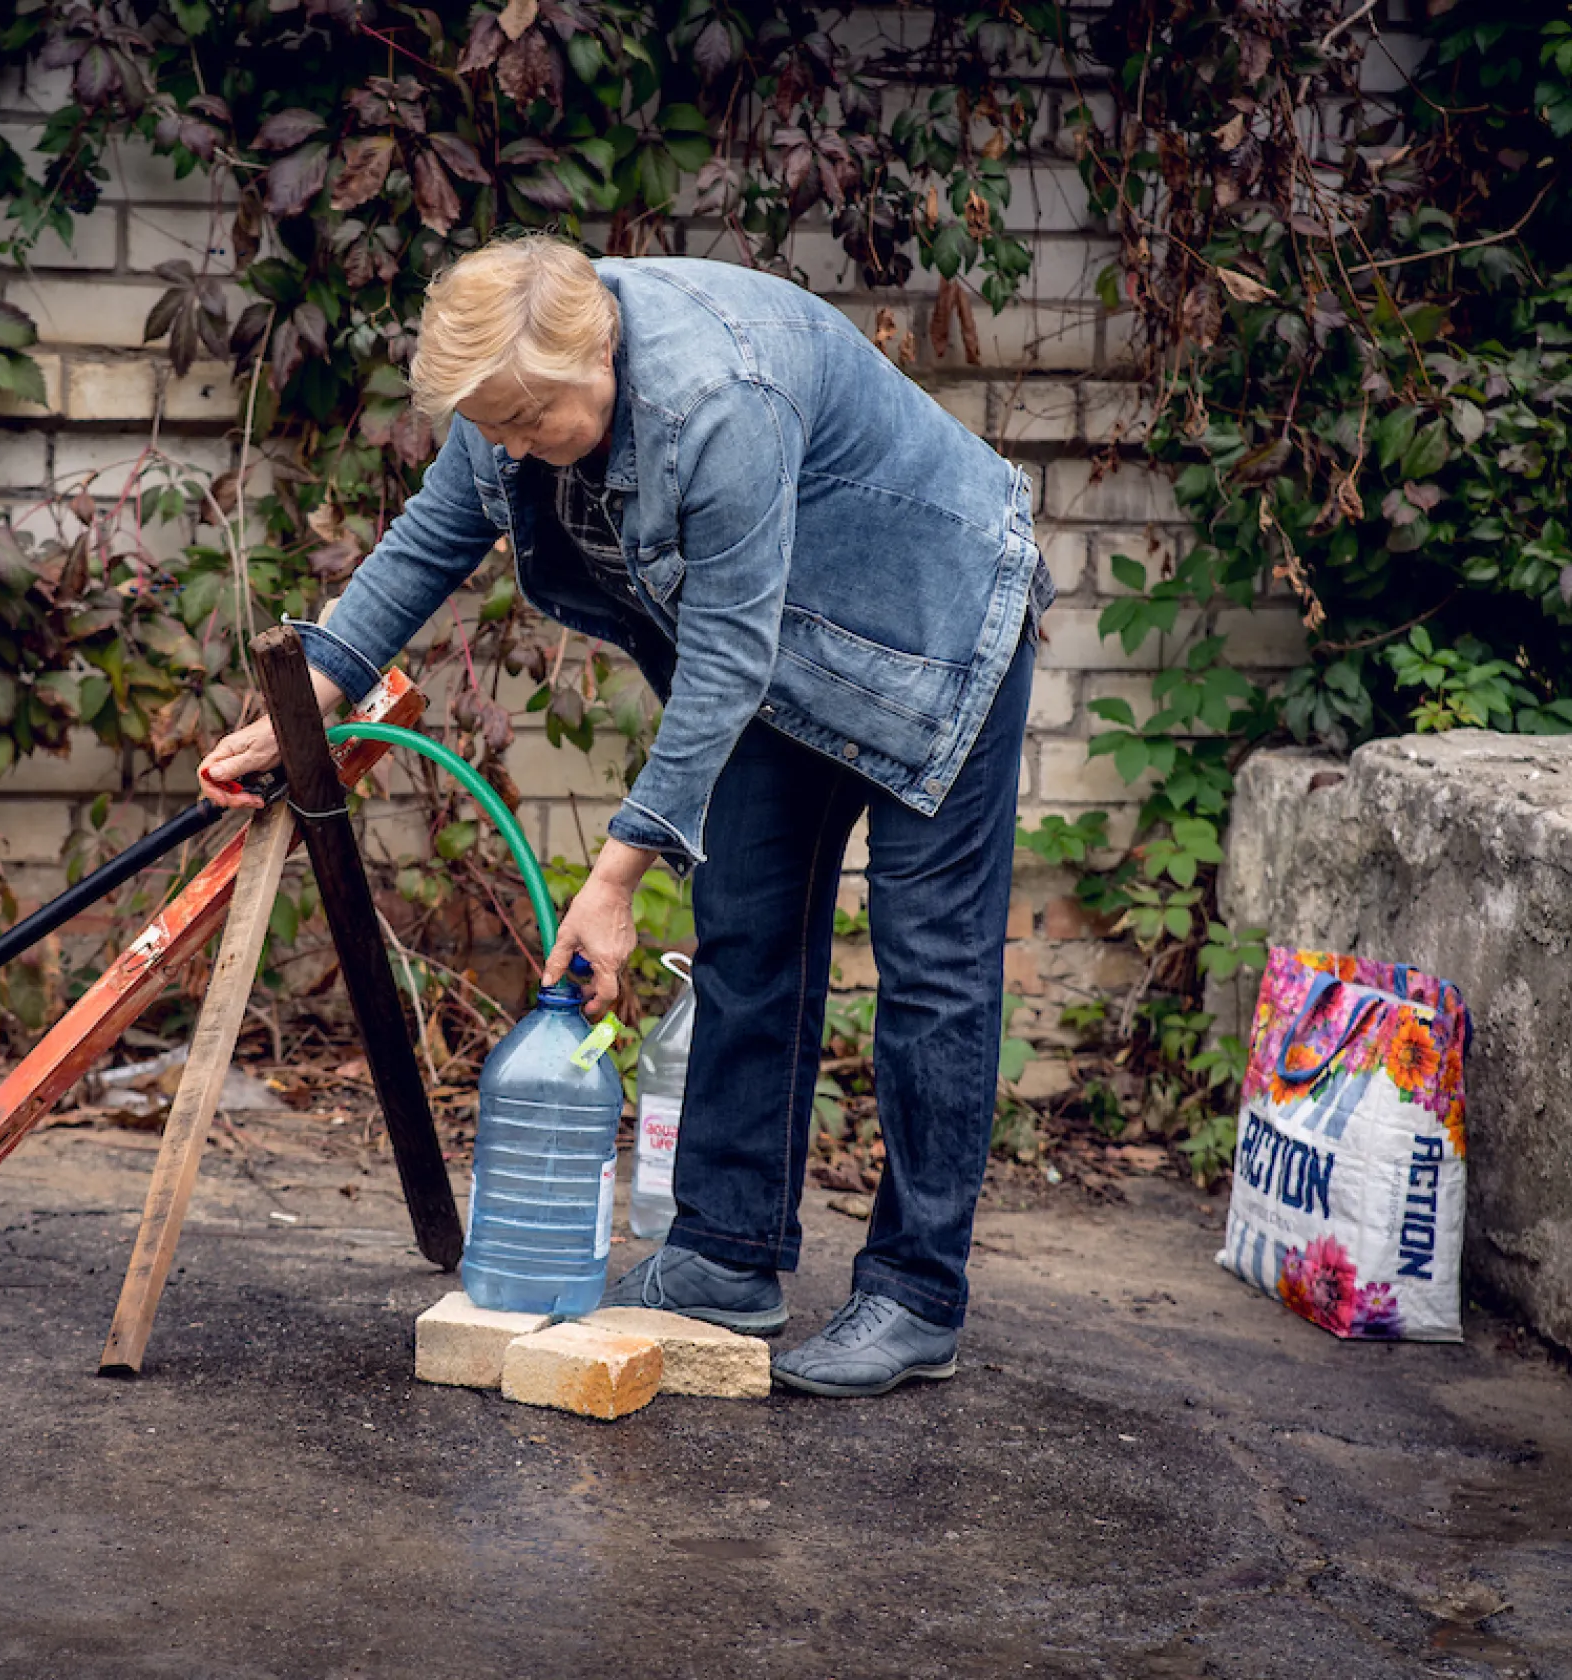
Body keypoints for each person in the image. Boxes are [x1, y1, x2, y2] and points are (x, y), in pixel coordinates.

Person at [198, 236, 1048, 1397]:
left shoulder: (718, 399)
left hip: (933, 626)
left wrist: (615, 876)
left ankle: (915, 1295)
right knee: (746, 930)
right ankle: (726, 1255)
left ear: (597, 352)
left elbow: (726, 656)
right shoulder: (514, 376)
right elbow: (433, 538)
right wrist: (314, 688)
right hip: (780, 648)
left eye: (526, 422)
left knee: (932, 967)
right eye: (493, 426)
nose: (509, 447)